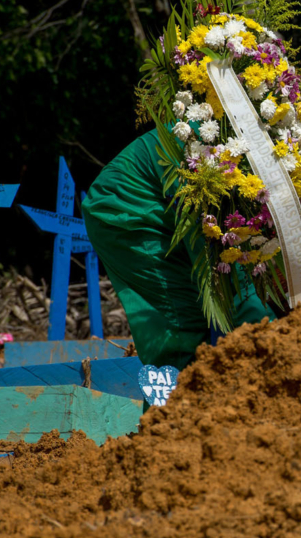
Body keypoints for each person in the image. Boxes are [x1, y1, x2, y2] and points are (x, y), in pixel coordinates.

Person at [82, 129, 277, 369]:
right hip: (128, 205)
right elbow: (224, 271)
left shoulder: (275, 154)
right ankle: (176, 398)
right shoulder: (200, 156)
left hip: (179, 201)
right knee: (181, 324)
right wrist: (266, 340)